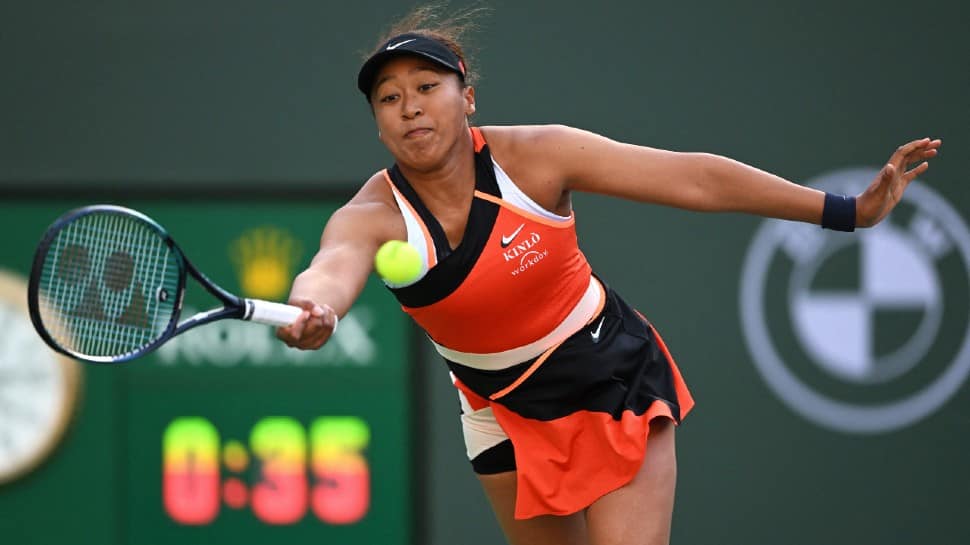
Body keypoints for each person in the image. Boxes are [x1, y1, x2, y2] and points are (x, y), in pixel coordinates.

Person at [276, 5, 942, 545]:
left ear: (468, 96)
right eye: (390, 98)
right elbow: (330, 268)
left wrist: (848, 211)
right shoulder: (372, 213)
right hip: (497, 409)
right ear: (378, 123)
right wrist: (315, 308)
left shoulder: (538, 157)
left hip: (611, 373)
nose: (410, 106)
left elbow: (695, 178)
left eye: (427, 87)